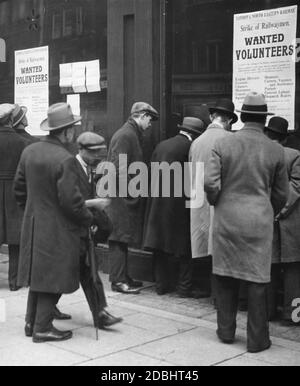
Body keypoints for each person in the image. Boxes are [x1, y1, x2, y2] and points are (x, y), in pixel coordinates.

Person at [204, 92, 289, 353]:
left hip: (227, 220)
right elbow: (281, 194)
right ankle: (257, 340)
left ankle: (226, 332)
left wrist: (219, 201)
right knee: (257, 281)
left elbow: (210, 183)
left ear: (240, 117)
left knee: (226, 276)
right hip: (259, 223)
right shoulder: (276, 150)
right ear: (264, 120)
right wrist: (266, 209)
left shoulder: (223, 144)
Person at [14, 103, 96, 343]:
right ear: (66, 131)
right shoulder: (65, 159)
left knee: (40, 274)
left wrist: (32, 211)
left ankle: (31, 323)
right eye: (73, 128)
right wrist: (88, 218)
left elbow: (19, 190)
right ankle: (42, 328)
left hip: (33, 224)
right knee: (54, 276)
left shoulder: (30, 151)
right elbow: (71, 202)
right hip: (58, 229)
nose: (73, 133)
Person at [143, 117, 206, 297]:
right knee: (185, 246)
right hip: (180, 205)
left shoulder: (162, 145)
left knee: (159, 244)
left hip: (158, 202)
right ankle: (184, 288)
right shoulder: (190, 148)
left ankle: (161, 286)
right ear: (194, 135)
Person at [106, 102, 159, 294]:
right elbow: (119, 169)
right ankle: (118, 281)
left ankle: (123, 276)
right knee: (118, 238)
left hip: (122, 196)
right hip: (120, 197)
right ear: (142, 116)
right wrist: (131, 193)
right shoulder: (126, 135)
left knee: (123, 237)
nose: (150, 124)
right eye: (150, 119)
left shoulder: (130, 133)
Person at [189, 99, 237, 296]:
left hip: (199, 202)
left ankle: (207, 290)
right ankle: (221, 297)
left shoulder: (196, 142)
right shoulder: (231, 140)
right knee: (223, 249)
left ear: (211, 117)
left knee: (203, 245)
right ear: (229, 121)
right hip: (222, 202)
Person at [76, 131, 122, 328]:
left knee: (89, 272)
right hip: (68, 232)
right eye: (93, 153)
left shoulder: (88, 167)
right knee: (61, 275)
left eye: (99, 153)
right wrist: (94, 203)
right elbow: (69, 201)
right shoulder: (72, 167)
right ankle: (40, 314)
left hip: (83, 230)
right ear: (81, 150)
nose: (97, 157)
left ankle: (100, 312)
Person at [264, 117, 300, 325]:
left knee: (269, 268)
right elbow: (296, 187)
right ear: (284, 138)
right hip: (291, 223)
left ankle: (267, 312)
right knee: (294, 270)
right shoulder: (295, 155)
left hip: (267, 219)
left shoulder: (260, 154)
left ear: (267, 134)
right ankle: (293, 316)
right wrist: (282, 210)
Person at [0, 103, 28, 291]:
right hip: (13, 191)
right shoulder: (21, 142)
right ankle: (15, 281)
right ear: (11, 119)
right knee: (15, 238)